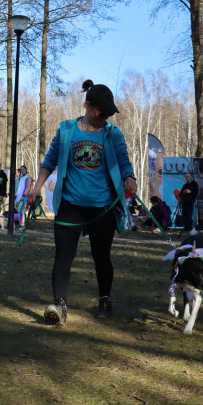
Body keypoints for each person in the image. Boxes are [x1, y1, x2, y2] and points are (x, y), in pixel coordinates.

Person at [27, 79, 137, 324]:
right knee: (63, 256)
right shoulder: (67, 131)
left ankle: (105, 299)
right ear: (87, 106)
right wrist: (36, 188)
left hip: (103, 207)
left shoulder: (112, 133)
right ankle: (59, 306)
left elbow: (123, 160)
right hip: (71, 205)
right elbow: (49, 162)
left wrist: (129, 176)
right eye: (102, 113)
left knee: (102, 257)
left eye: (109, 113)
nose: (106, 117)